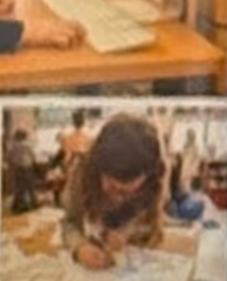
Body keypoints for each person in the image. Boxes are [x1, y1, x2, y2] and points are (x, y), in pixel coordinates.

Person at [62, 111, 169, 270]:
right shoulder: (82, 171)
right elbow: (69, 222)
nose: (118, 198)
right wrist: (79, 248)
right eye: (112, 187)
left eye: (127, 192)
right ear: (98, 168)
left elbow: (153, 228)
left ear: (146, 178)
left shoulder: (153, 179)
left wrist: (127, 233)